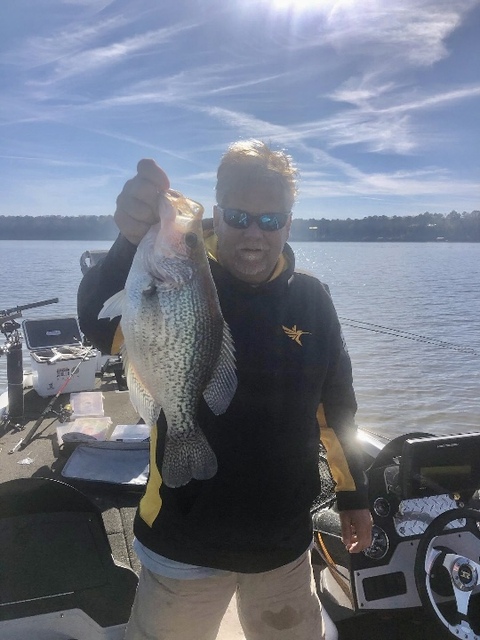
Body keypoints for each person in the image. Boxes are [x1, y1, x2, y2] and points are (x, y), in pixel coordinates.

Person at [77, 139, 372, 640]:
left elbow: (337, 407)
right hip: (183, 540)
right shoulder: (185, 275)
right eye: (238, 216)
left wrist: (354, 496)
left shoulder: (312, 299)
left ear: (289, 223)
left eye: (271, 220)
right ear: (216, 214)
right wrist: (129, 241)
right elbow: (97, 326)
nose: (254, 234)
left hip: (281, 541)